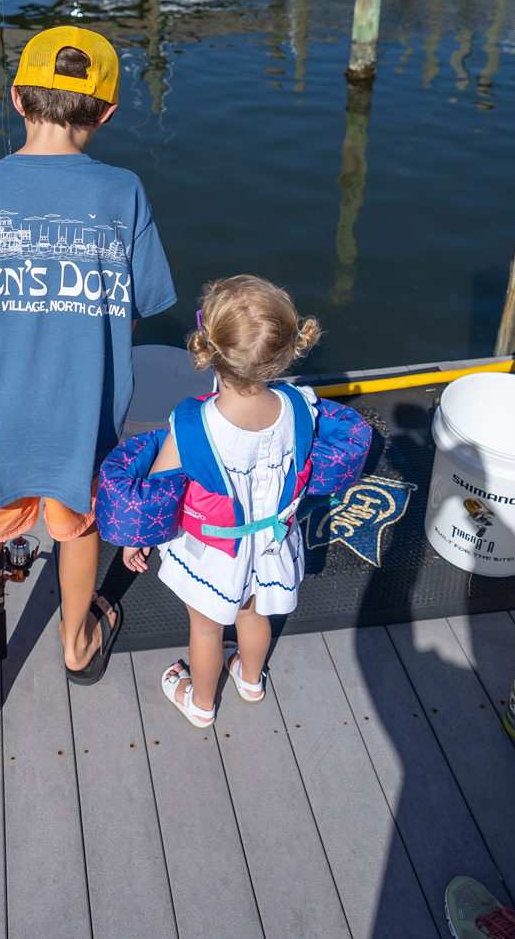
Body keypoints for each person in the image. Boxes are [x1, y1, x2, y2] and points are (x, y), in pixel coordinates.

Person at [0, 26, 177, 748]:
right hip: (80, 418)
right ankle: (78, 643)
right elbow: (135, 309)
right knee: (77, 529)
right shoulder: (123, 192)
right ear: (107, 113)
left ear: (18, 98)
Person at [99, 276, 369, 728]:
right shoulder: (300, 407)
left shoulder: (192, 425)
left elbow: (156, 496)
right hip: (273, 543)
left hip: (215, 554)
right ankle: (250, 679)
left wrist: (135, 541)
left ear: (208, 349)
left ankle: (201, 702)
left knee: (206, 629)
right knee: (254, 613)